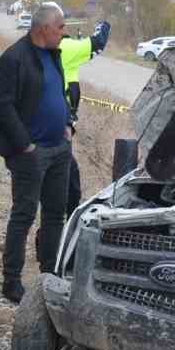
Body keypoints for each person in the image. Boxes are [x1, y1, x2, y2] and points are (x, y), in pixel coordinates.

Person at [0, 2, 73, 304]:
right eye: (60, 27)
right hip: (30, 154)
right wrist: (25, 145)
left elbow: (57, 92)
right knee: (23, 215)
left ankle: (50, 275)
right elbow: (2, 106)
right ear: (43, 28)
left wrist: (67, 124)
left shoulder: (53, 54)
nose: (64, 32)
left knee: (54, 215)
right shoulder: (13, 59)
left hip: (59, 149)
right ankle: (11, 282)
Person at [58, 19, 112, 208]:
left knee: (64, 185)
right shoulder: (65, 47)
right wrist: (103, 25)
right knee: (68, 187)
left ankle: (54, 228)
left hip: (54, 123)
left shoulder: (44, 49)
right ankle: (60, 229)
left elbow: (88, 53)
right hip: (58, 127)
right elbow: (98, 43)